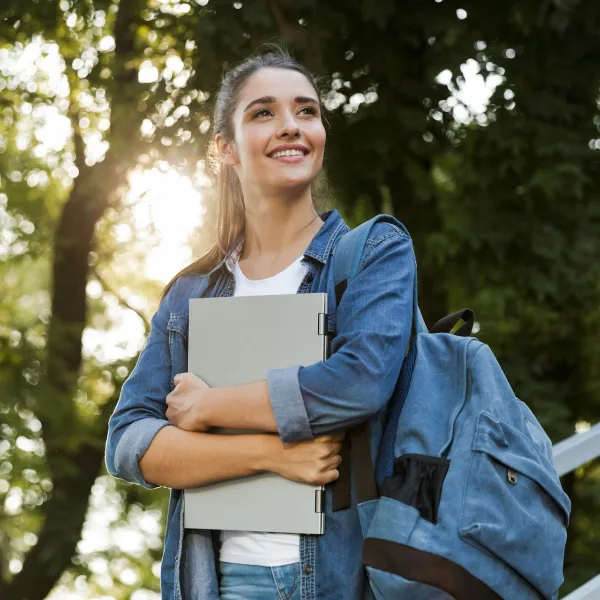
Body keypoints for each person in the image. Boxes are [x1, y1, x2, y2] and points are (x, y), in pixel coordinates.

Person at [105, 47, 416, 600]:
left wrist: (208, 407)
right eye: (264, 112)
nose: (292, 126)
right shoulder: (189, 293)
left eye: (307, 111)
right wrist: (269, 455)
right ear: (225, 148)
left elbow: (358, 383)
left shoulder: (372, 253)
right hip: (220, 582)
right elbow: (128, 441)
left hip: (341, 580)